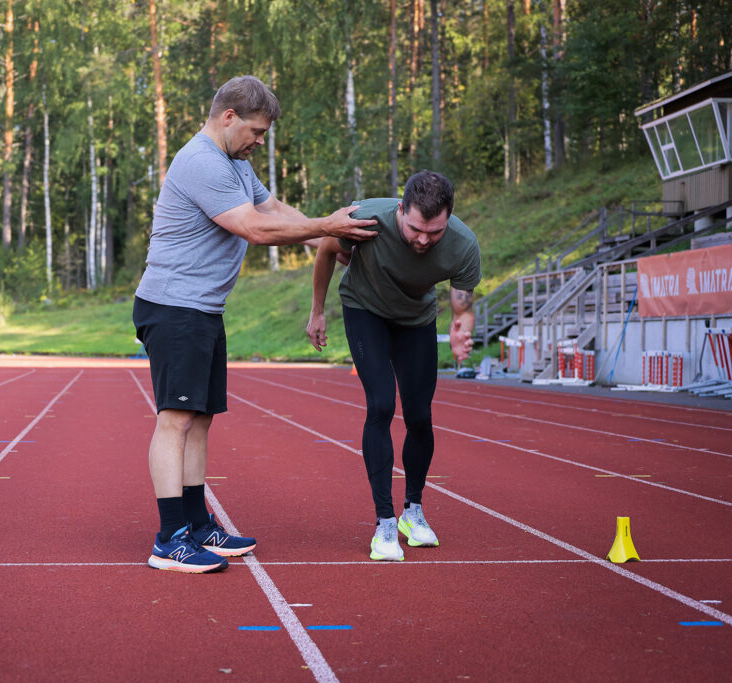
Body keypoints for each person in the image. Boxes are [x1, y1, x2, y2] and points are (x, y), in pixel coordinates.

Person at [133, 75, 379, 573]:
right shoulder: (202, 161)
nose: (260, 141)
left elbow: (274, 210)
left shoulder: (235, 163)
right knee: (175, 420)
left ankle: (198, 525)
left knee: (199, 420)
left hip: (201, 309)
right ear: (228, 118)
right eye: (256, 130)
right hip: (174, 306)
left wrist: (332, 240)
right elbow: (254, 228)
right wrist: (324, 225)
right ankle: (169, 538)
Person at [306, 170, 481, 561]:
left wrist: (459, 330)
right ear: (401, 210)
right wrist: (318, 312)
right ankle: (384, 523)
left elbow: (462, 306)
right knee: (382, 405)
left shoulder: (463, 245)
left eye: (434, 232)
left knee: (420, 415)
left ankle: (412, 512)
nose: (423, 240)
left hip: (415, 320)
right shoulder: (366, 218)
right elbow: (325, 250)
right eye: (416, 228)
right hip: (364, 310)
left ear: (448, 219)